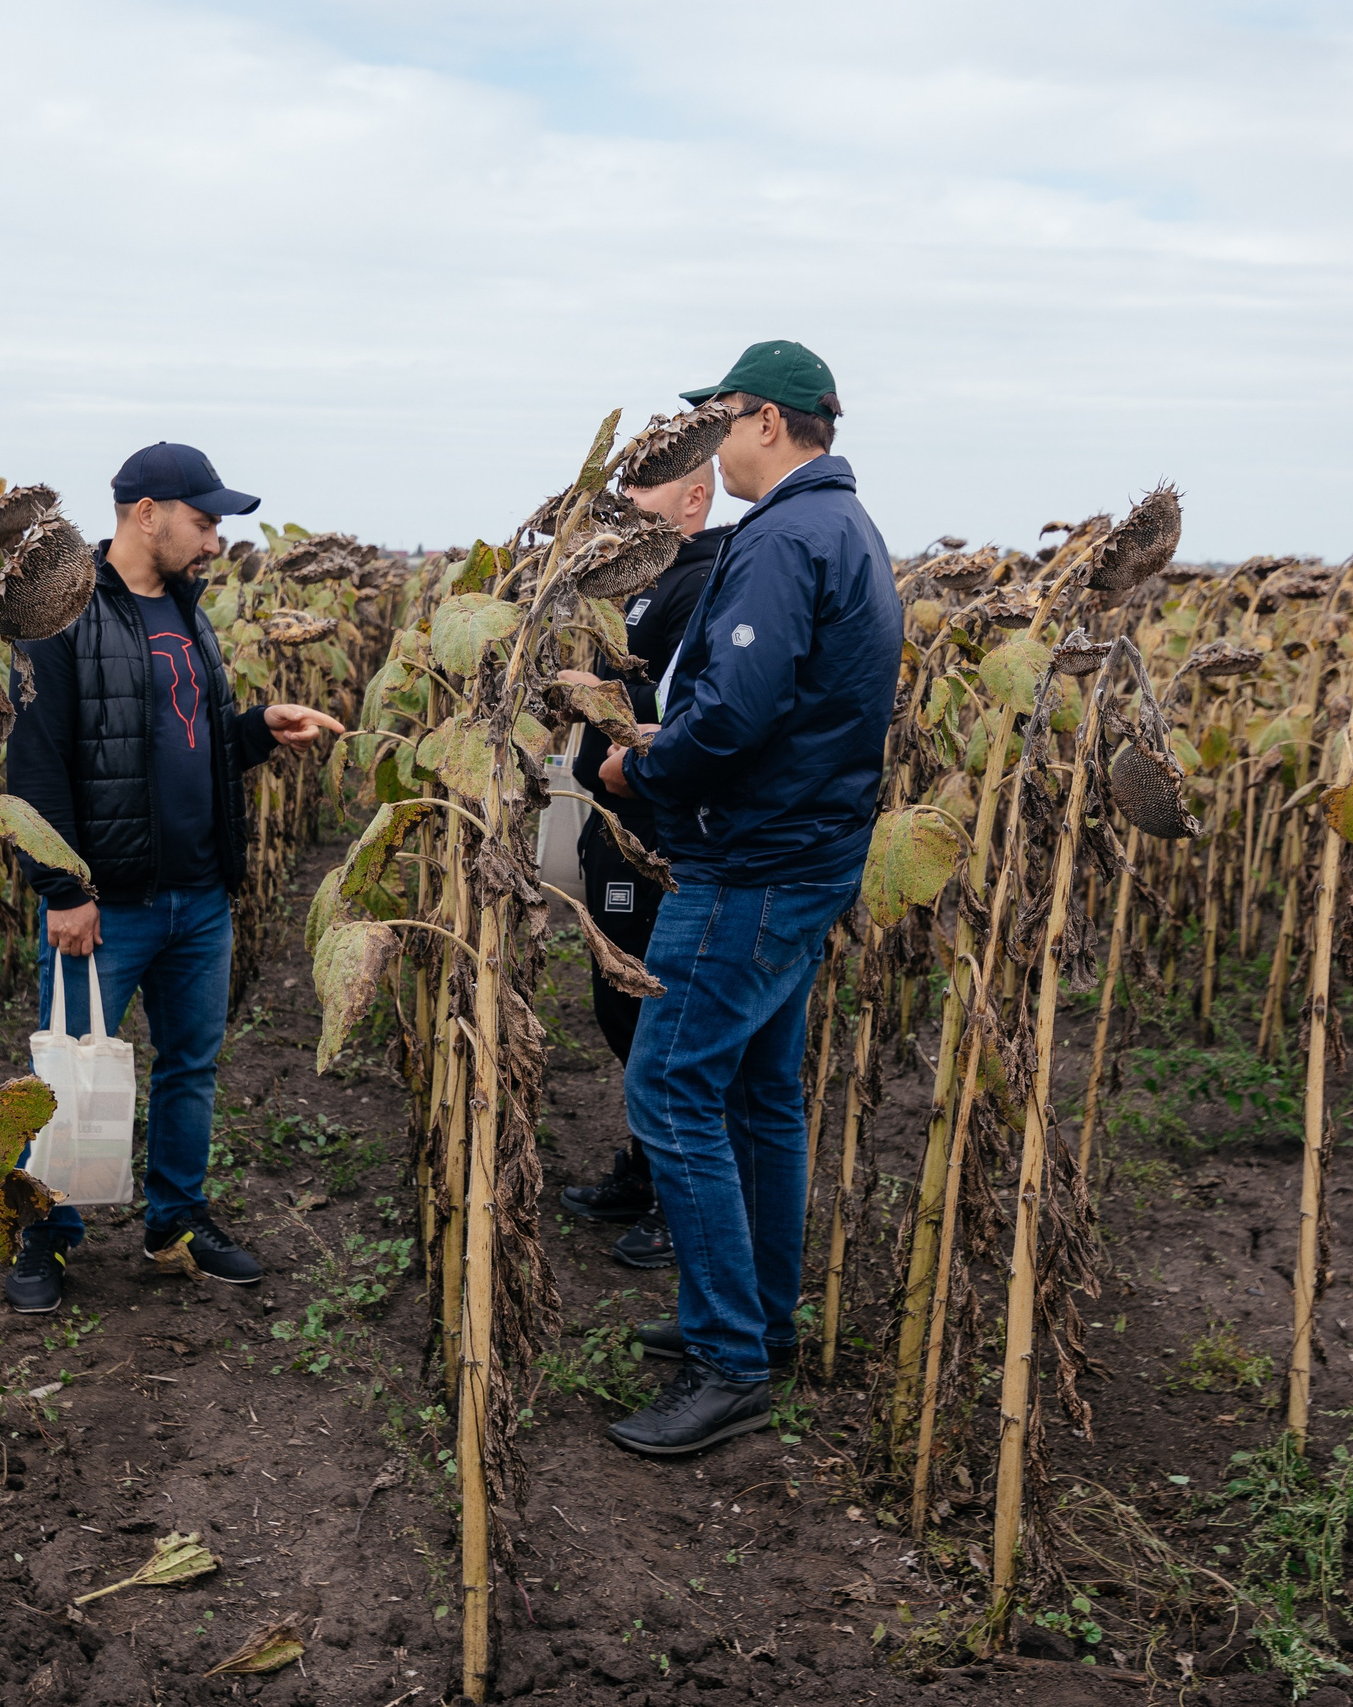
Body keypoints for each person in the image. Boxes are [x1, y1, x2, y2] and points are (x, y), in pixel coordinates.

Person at [595, 341, 902, 1454]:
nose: (709, 443)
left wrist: (640, 768)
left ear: (767, 421)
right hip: (803, 852)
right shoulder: (844, 528)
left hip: (748, 863)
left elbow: (731, 716)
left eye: (720, 419)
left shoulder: (786, 536)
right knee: (760, 1096)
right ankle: (758, 1325)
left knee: (669, 1090)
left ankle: (729, 1360)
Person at [3, 442, 346, 1313]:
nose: (213, 539)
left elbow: (187, 746)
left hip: (197, 897)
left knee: (189, 1066)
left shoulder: (188, 613)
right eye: (203, 521)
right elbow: (36, 765)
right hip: (107, 904)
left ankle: (175, 1224)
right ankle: (46, 1231)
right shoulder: (59, 614)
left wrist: (260, 726)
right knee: (70, 1074)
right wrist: (63, 891)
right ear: (145, 512)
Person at [553, 455, 726, 1269]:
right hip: (613, 815)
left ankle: (670, 1194)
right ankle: (644, 1166)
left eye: (643, 486)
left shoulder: (702, 581)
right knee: (616, 1002)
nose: (625, 497)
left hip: (652, 824)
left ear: (693, 499)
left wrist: (603, 693)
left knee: (647, 1009)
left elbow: (688, 707)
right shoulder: (643, 583)